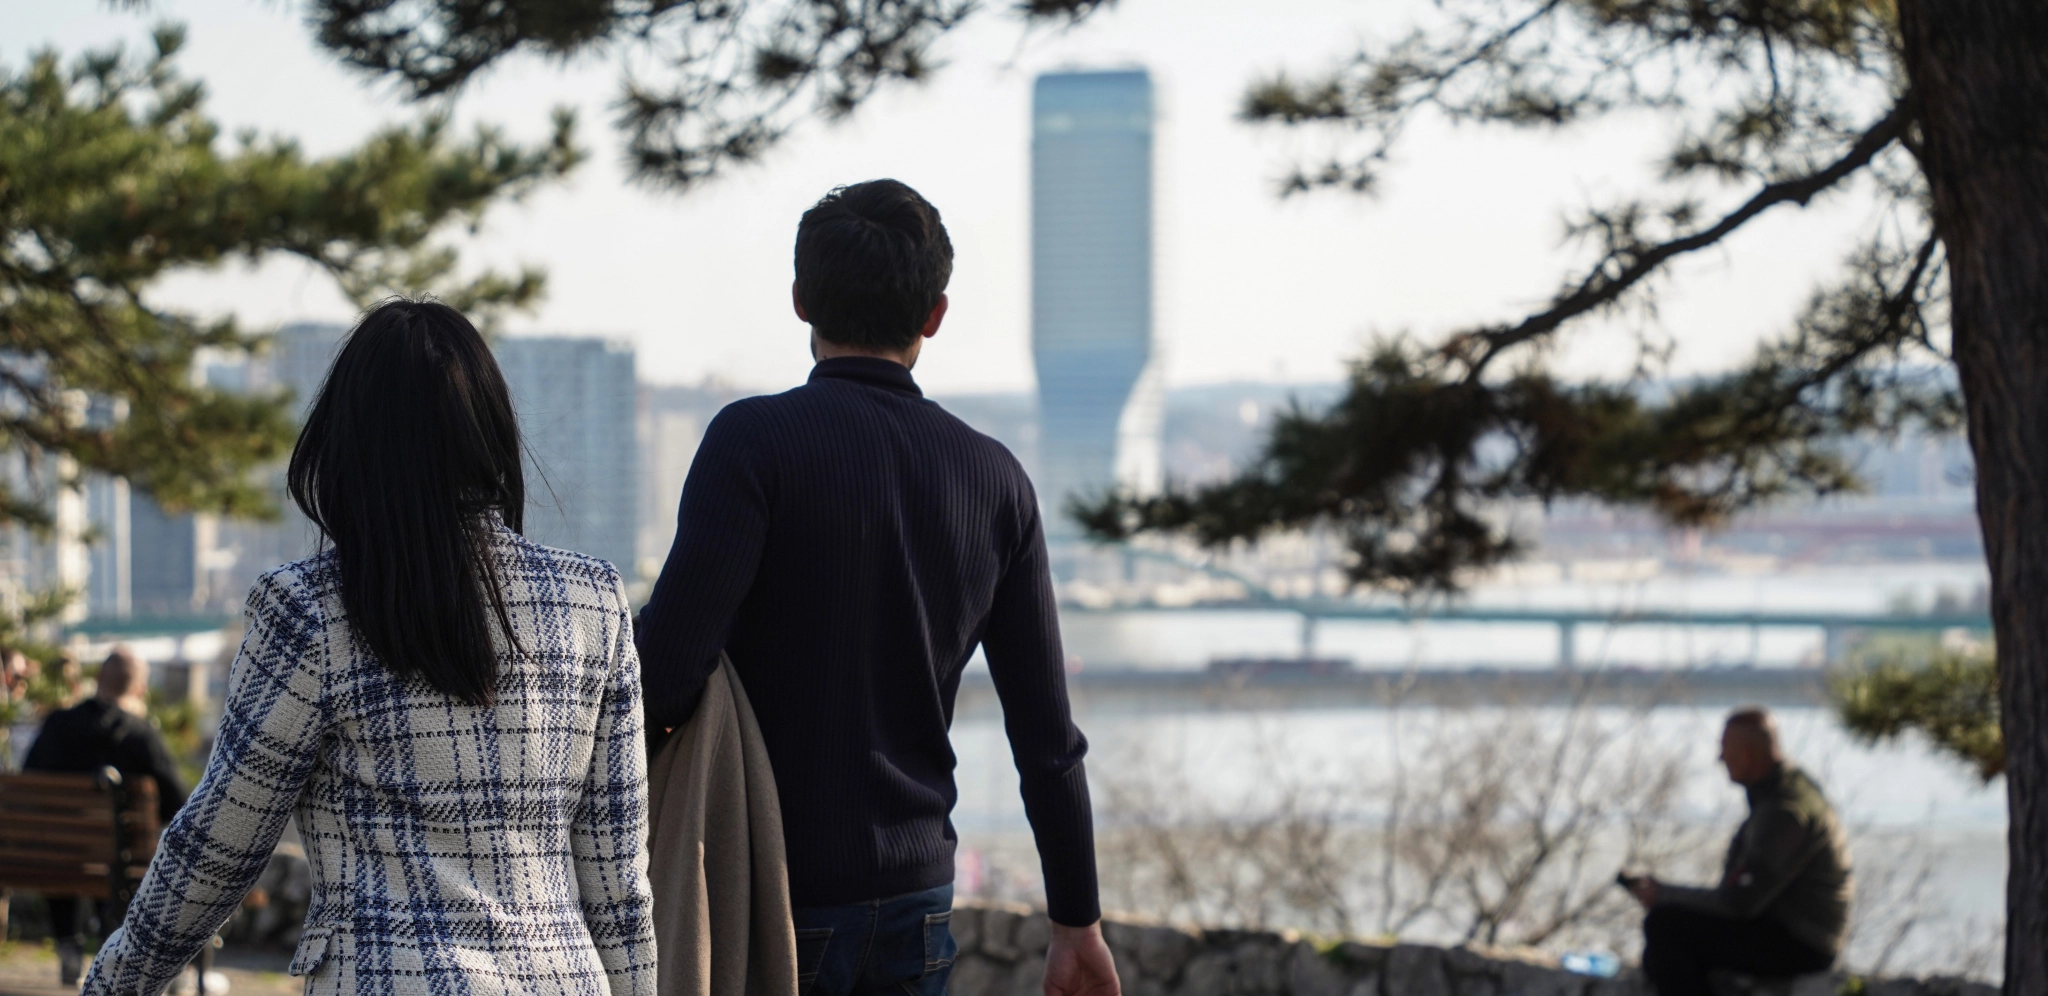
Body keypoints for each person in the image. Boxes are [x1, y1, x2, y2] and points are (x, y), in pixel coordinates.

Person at [79, 300, 656, 996]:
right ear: (491, 434)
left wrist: (112, 986)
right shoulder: (593, 601)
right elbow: (619, 886)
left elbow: (220, 845)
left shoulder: (311, 609)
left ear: (347, 444)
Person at [636, 179, 1120, 996]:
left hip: (772, 885)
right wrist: (1077, 923)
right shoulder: (995, 480)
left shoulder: (753, 444)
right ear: (935, 314)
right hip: (919, 899)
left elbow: (667, 672)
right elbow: (1047, 738)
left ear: (801, 300)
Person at [1627, 707, 1854, 996]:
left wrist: (1663, 895)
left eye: (1725, 749)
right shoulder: (1788, 786)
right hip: (1794, 931)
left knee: (1665, 925)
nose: (1720, 758)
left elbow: (1739, 903)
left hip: (1804, 943)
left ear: (1746, 754)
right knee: (1661, 952)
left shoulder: (1784, 811)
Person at [23, 648, 191, 986]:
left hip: (55, 859)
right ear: (140, 689)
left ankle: (68, 943)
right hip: (123, 866)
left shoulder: (58, 725)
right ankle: (114, 947)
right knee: (118, 857)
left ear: (98, 678)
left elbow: (27, 785)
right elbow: (180, 803)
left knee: (67, 849)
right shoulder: (142, 736)